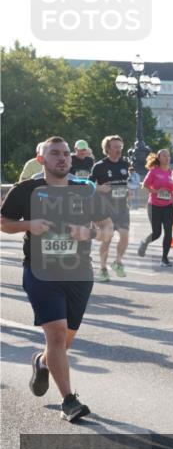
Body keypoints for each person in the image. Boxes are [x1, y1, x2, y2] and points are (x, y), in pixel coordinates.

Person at [0, 136, 113, 422]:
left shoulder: (85, 191)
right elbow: (3, 222)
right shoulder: (25, 190)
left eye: (65, 154)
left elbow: (107, 227)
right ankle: (69, 401)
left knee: (62, 343)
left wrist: (87, 233)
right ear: (41, 159)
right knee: (57, 335)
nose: (62, 158)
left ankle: (42, 362)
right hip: (40, 272)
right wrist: (28, 225)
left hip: (78, 274)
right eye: (54, 154)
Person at [90, 135, 131, 283]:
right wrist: (100, 187)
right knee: (107, 239)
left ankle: (118, 262)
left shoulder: (125, 164)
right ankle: (103, 268)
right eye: (115, 147)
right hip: (105, 209)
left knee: (125, 237)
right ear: (107, 149)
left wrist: (129, 191)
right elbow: (89, 185)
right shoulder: (99, 166)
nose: (119, 150)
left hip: (122, 208)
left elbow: (126, 182)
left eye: (120, 147)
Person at [137, 149, 173, 266]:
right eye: (164, 156)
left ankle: (164, 258)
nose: (167, 158)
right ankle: (144, 243)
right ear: (159, 158)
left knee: (169, 233)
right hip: (154, 205)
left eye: (168, 156)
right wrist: (156, 191)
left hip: (168, 206)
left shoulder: (172, 173)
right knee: (157, 233)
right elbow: (144, 185)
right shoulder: (154, 171)